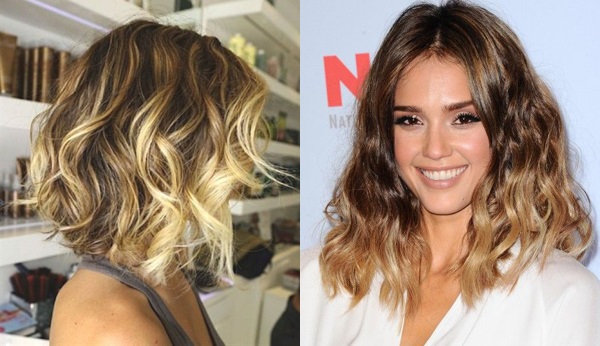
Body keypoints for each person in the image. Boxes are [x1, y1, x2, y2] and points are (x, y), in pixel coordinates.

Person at [301, 1, 600, 345]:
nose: (435, 149)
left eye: (463, 118)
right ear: (385, 134)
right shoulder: (321, 280)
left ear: (509, 129)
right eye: (410, 120)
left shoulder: (561, 298)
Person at [28, 19, 274, 345]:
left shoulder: (166, 264)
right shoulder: (113, 328)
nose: (244, 162)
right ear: (171, 150)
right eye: (233, 141)